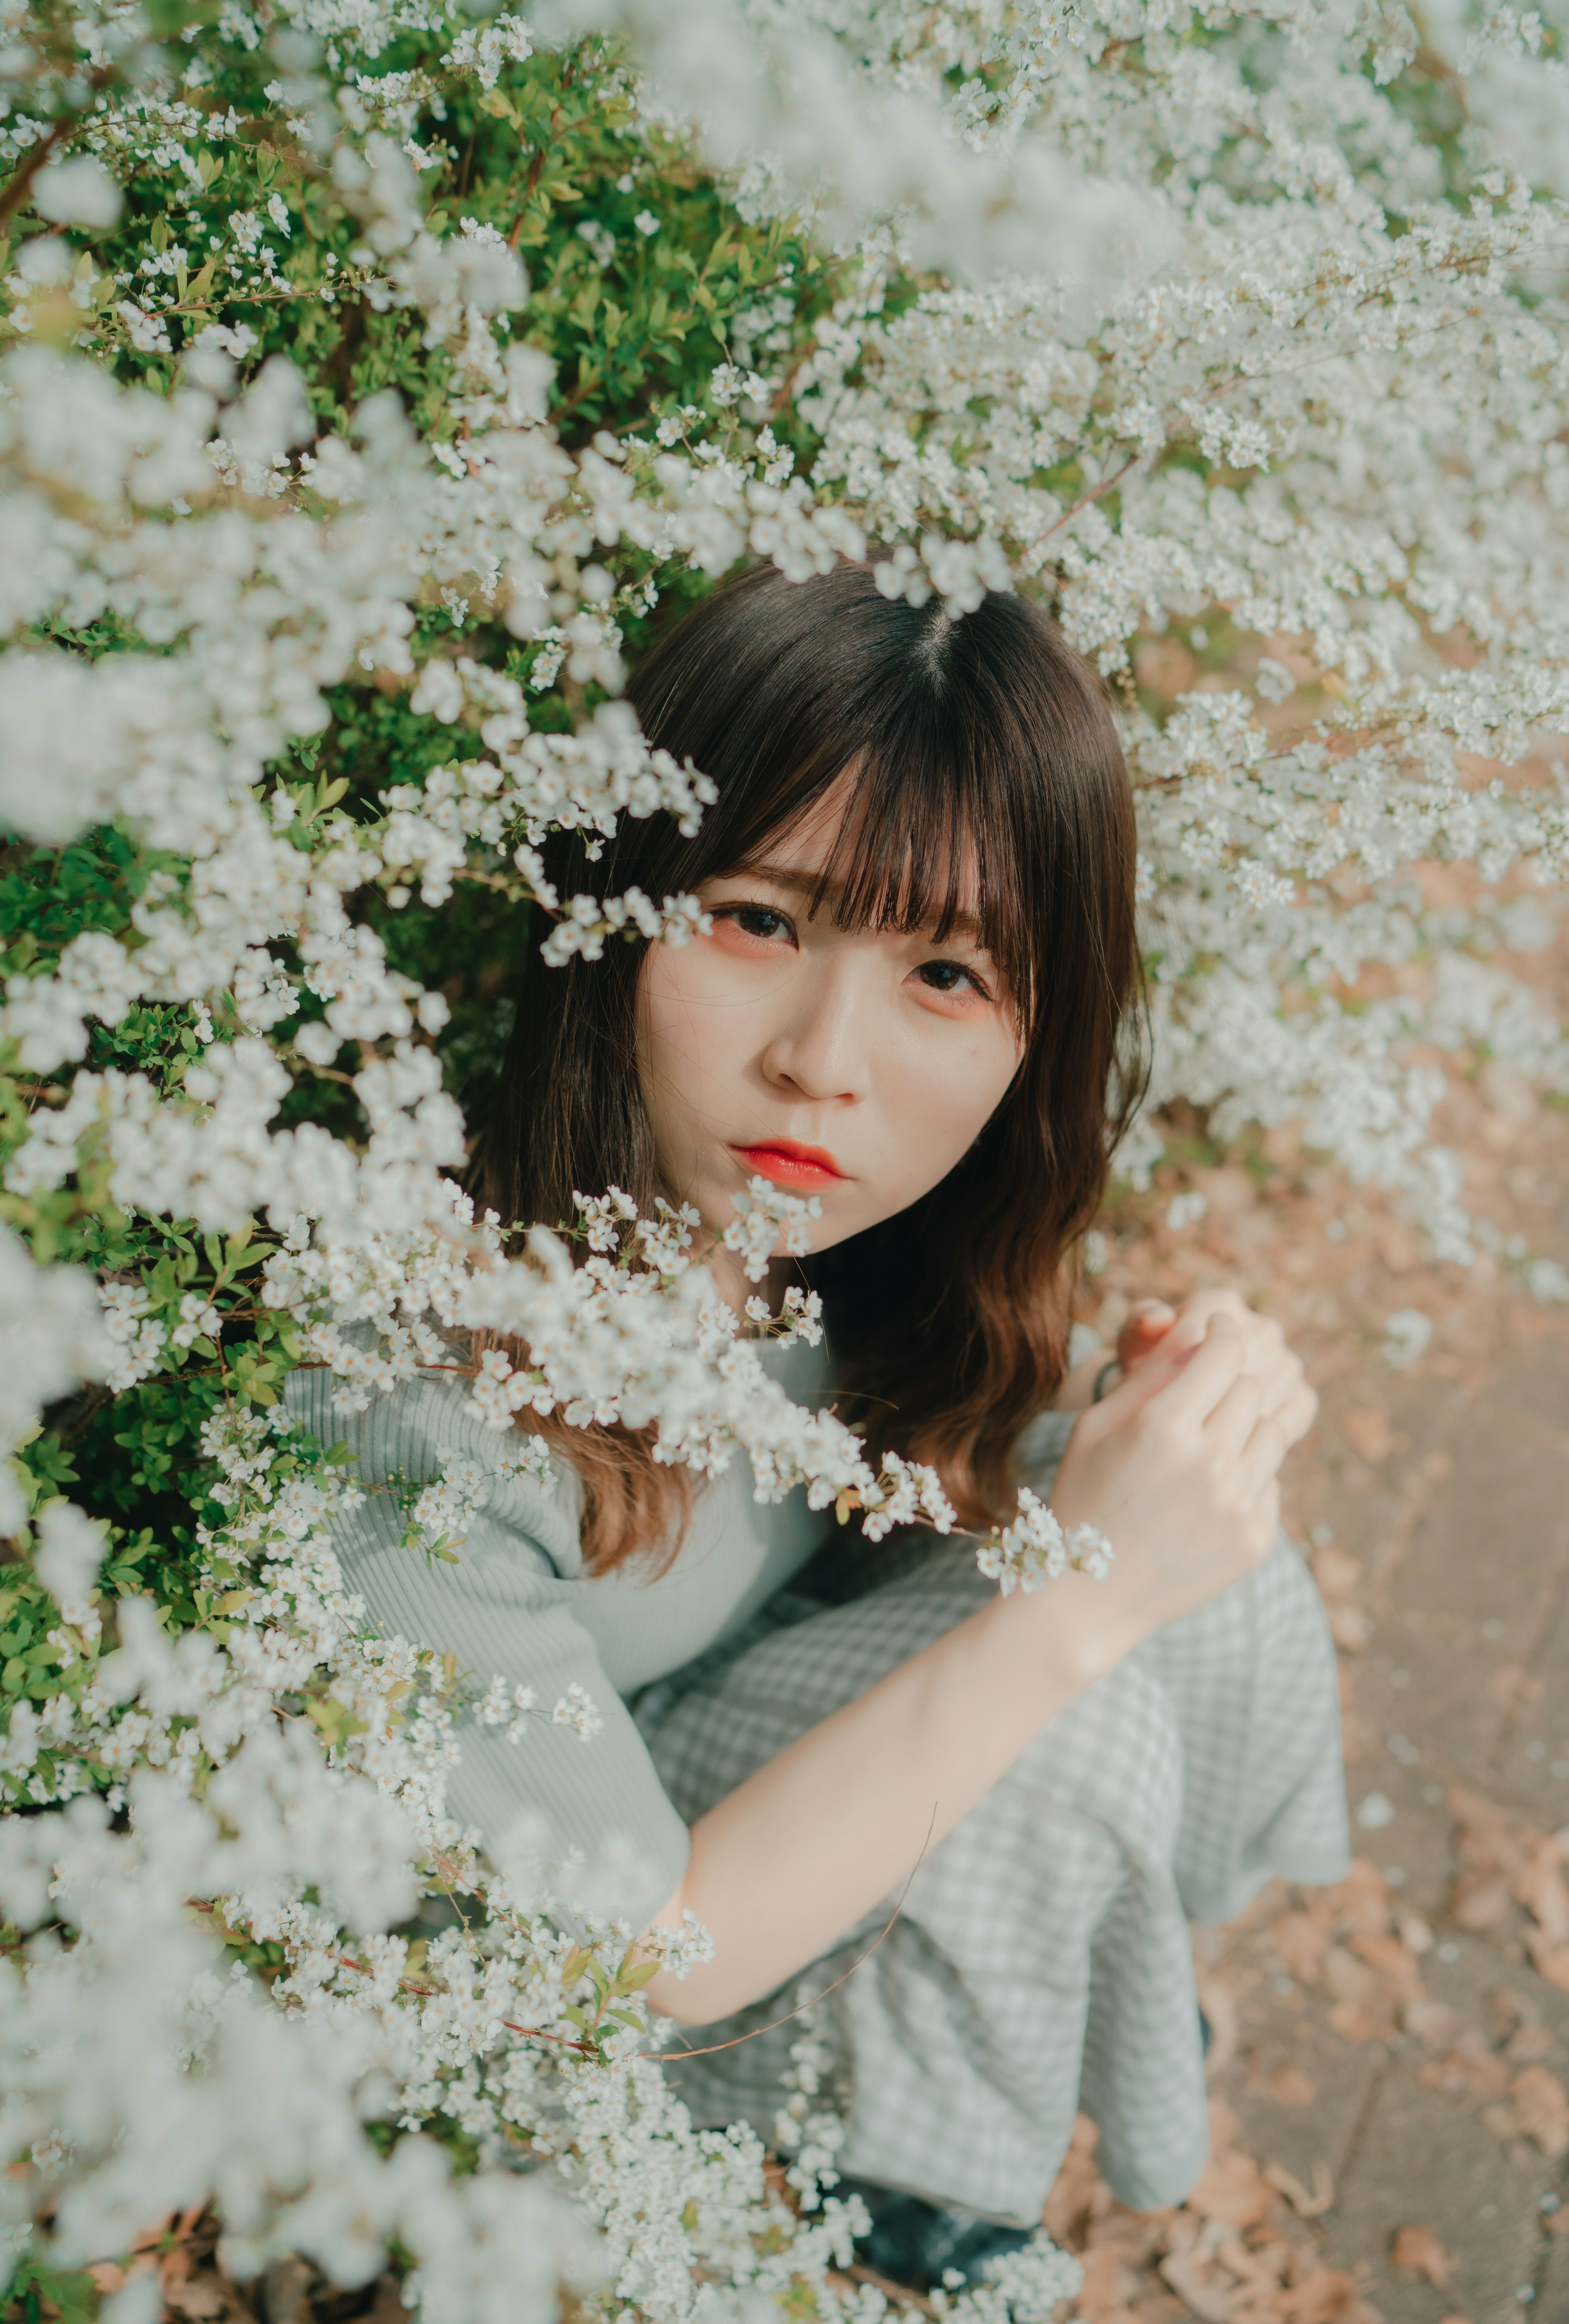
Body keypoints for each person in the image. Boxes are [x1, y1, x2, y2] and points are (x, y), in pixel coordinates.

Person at [288, 562, 1347, 2285]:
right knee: (1080, 1704)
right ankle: (906, 2197)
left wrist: (1156, 1437)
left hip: (706, 1739)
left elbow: (896, 1518)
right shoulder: (415, 1402)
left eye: (944, 971)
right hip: (501, 1968)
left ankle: (1115, 1996)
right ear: (611, 897)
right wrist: (1083, 1603)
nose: (824, 1062)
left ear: (1035, 1028)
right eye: (757, 920)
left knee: (1173, 1510)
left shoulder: (833, 1243)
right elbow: (641, 1956)